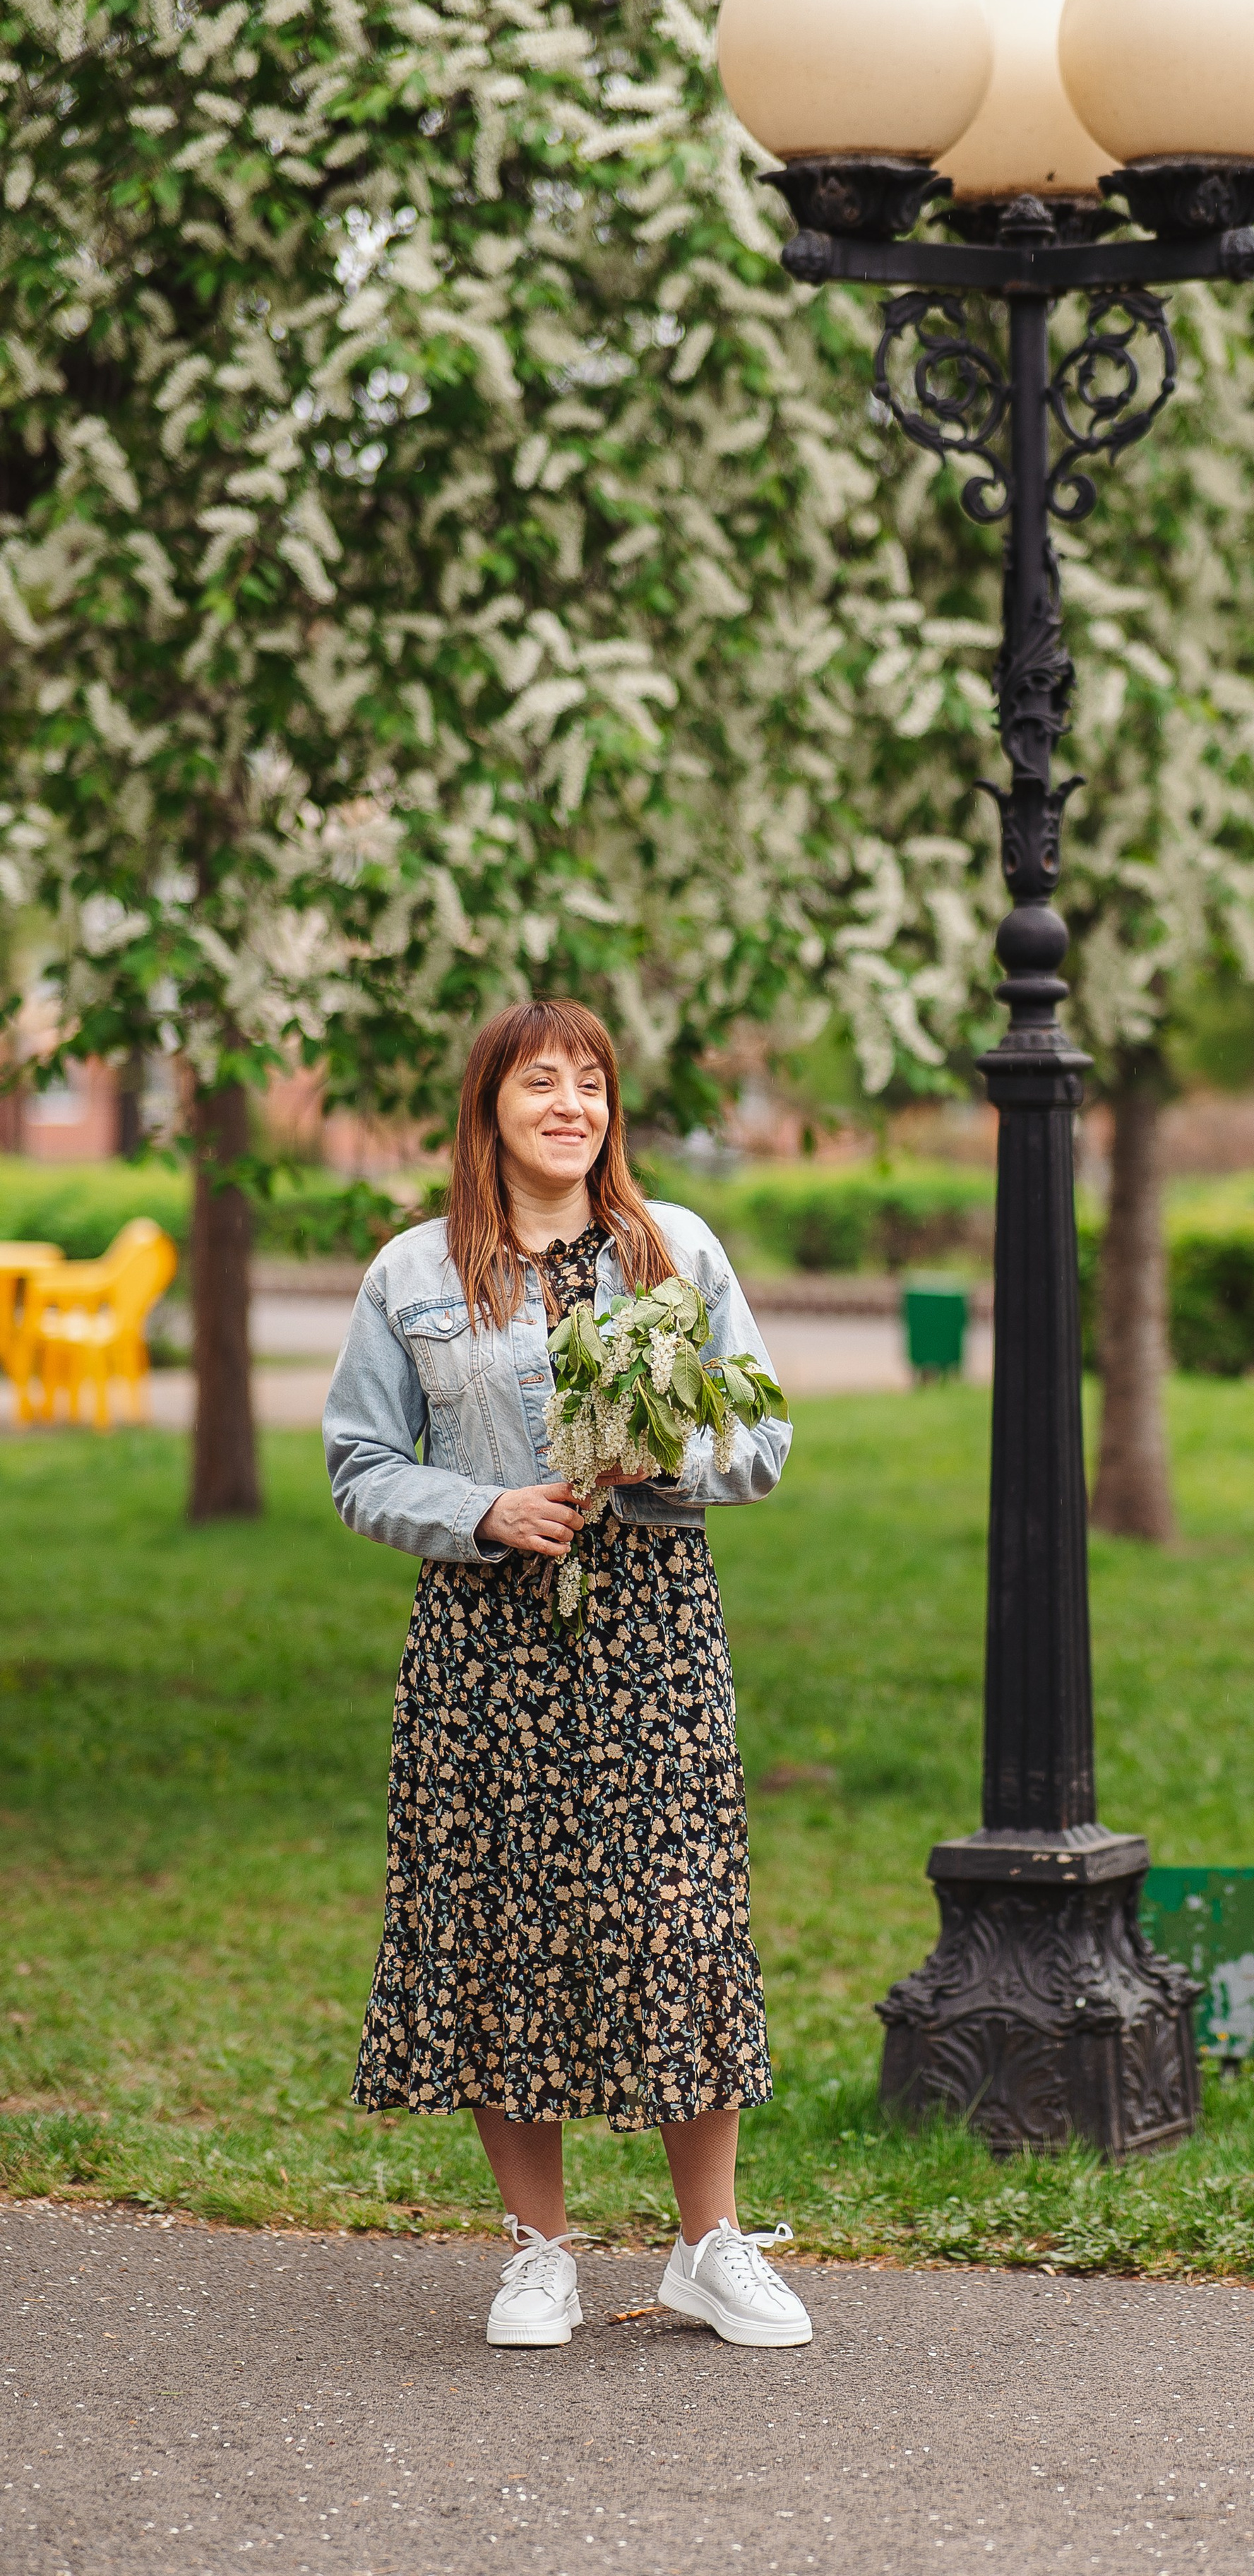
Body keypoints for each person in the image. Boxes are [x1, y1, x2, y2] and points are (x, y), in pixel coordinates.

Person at [322, 998, 811, 2351]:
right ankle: (539, 2253)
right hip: (484, 1649)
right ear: (490, 1108)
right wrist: (482, 1514)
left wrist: (672, 1465)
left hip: (654, 1634)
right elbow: (361, 1465)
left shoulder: (678, 1252)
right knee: (499, 1921)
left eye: (591, 1084)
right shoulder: (413, 1273)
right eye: (541, 1083)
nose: (569, 1106)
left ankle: (709, 2244)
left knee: (677, 1917)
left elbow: (762, 1438)